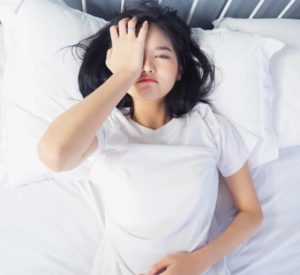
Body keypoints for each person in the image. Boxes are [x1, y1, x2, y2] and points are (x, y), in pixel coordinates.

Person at [37, 1, 264, 274]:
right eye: (136, 57)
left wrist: (199, 261)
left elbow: (252, 213)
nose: (146, 67)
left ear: (180, 70)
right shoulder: (105, 125)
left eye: (161, 56)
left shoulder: (209, 126)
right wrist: (124, 74)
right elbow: (54, 155)